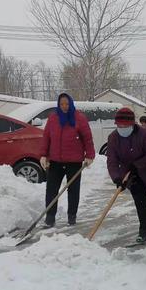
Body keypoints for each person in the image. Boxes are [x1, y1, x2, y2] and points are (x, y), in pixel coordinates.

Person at [40, 93, 95, 227]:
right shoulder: (53, 118)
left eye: (67, 104)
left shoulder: (79, 118)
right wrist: (43, 155)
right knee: (51, 189)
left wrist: (90, 155)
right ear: (59, 104)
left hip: (74, 162)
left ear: (70, 104)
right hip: (56, 161)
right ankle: (50, 217)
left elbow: (87, 138)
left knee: (73, 190)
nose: (64, 106)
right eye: (62, 104)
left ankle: (72, 216)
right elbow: (46, 137)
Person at [107, 107, 146, 243]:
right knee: (139, 197)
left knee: (140, 197)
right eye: (119, 125)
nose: (122, 127)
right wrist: (117, 178)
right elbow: (112, 160)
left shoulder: (144, 133)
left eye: (125, 125)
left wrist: (137, 164)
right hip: (127, 172)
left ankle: (144, 228)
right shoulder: (113, 137)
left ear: (132, 124)